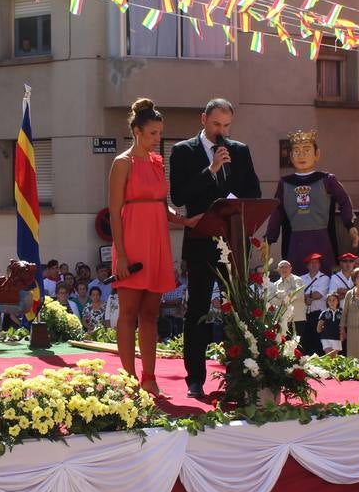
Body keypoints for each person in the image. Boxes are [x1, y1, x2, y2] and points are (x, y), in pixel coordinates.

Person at [169, 98, 261, 399]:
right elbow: (179, 195)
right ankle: (195, 378)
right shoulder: (183, 151)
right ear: (203, 119)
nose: (221, 132)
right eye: (216, 125)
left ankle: (238, 376)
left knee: (236, 309)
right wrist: (211, 169)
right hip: (200, 242)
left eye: (227, 126)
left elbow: (254, 193)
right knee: (197, 309)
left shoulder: (240, 151)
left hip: (233, 239)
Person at [109, 99, 195, 394]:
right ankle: (127, 380)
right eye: (153, 133)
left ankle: (149, 377)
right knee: (128, 313)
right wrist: (120, 255)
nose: (158, 139)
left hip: (157, 243)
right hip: (131, 244)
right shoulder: (122, 163)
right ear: (136, 131)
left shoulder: (158, 164)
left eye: (160, 133)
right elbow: (114, 211)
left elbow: (162, 205)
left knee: (150, 314)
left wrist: (183, 220)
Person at [263, 129, 359, 273]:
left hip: (322, 238)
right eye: (296, 151)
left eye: (307, 150)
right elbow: (277, 212)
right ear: (290, 156)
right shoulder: (285, 183)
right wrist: (268, 240)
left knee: (324, 277)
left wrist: (349, 225)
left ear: (317, 155)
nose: (301, 155)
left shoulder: (327, 180)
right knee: (296, 278)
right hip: (295, 240)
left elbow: (344, 200)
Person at [269, 259, 306, 339]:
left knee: (297, 346)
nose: (284, 269)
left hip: (297, 318)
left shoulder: (297, 280)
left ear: (290, 268)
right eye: (281, 267)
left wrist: (279, 294)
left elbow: (297, 294)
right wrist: (285, 298)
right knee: (283, 345)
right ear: (278, 270)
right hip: (282, 320)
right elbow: (270, 299)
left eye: (286, 267)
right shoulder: (275, 284)